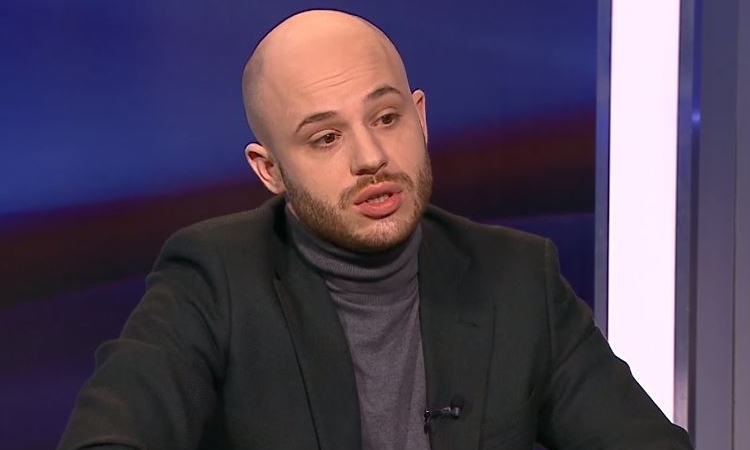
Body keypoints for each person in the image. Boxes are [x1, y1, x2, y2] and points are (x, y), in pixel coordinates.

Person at [58, 9, 693, 450]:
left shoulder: (518, 275)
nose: (371, 158)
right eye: (325, 138)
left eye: (386, 118)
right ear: (269, 170)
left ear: (420, 118)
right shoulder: (212, 278)